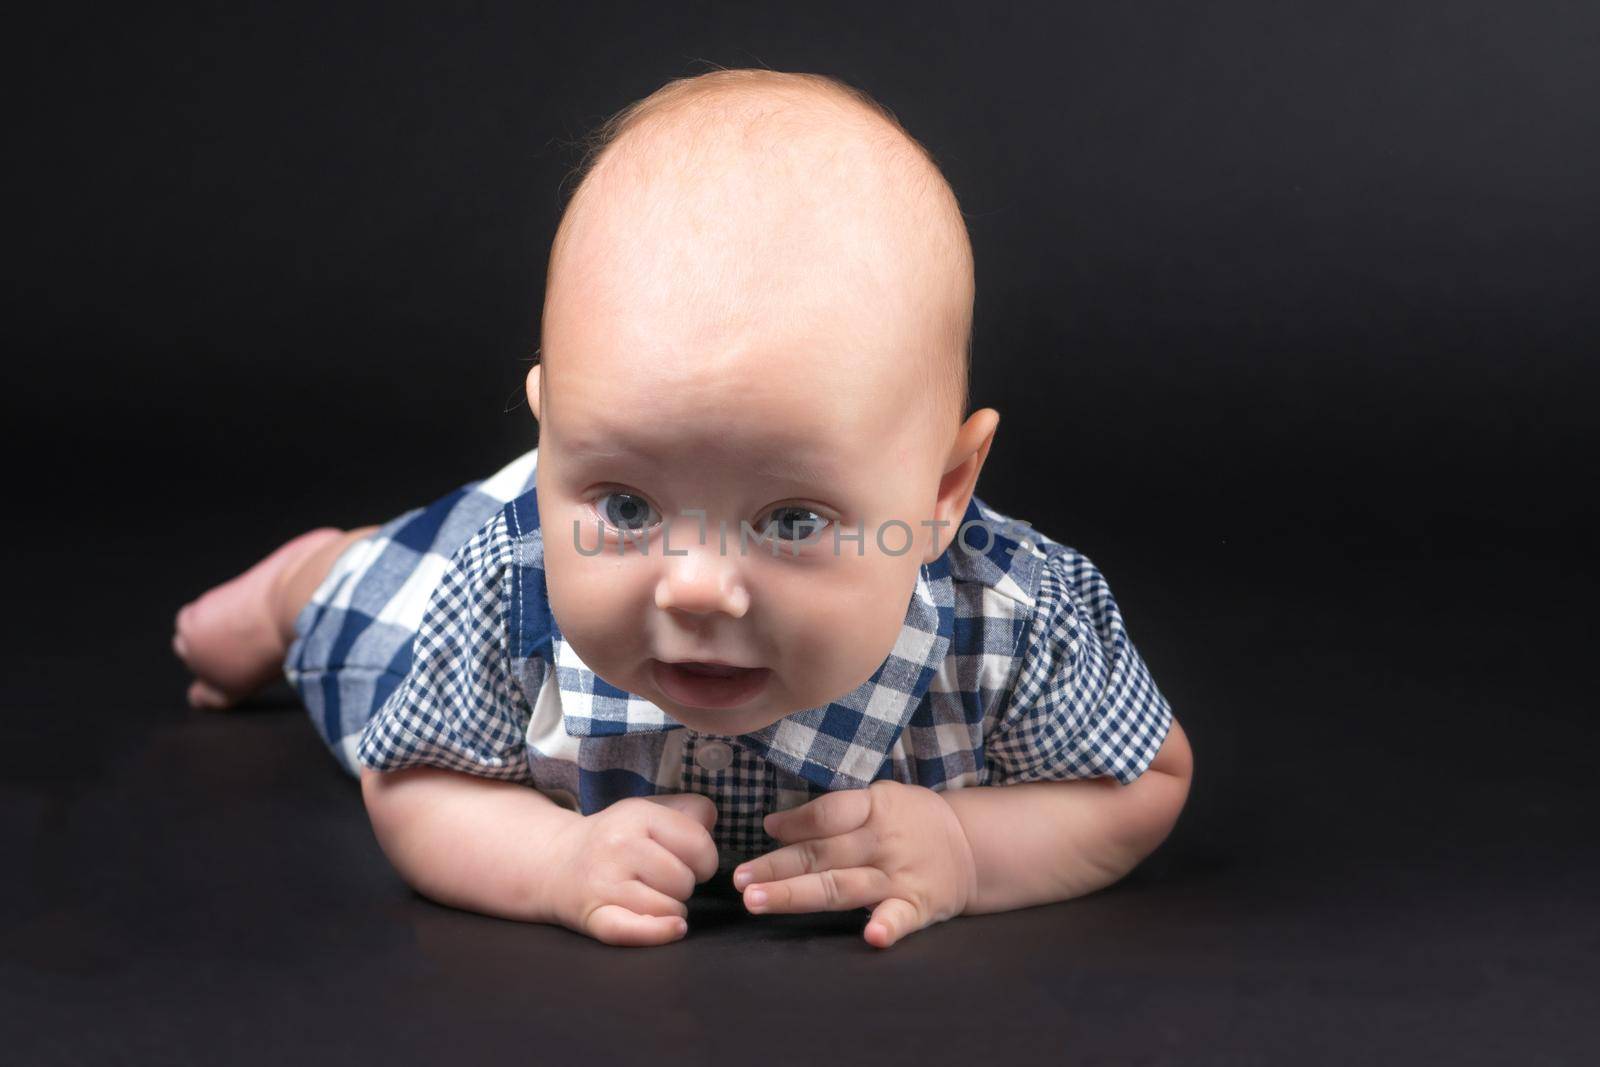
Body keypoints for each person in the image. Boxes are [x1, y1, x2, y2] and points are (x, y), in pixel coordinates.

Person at [173, 67, 1193, 949]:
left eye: (790, 519)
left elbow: (1141, 778)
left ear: (940, 492)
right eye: (626, 497)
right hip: (437, 583)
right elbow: (408, 781)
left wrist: (970, 848)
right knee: (354, 609)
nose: (697, 585)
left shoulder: (1012, 620)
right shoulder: (507, 578)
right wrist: (551, 862)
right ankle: (299, 577)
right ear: (552, 439)